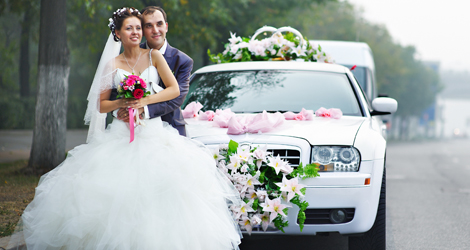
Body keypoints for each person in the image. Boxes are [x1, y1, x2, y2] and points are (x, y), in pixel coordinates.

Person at [9, 7, 241, 250]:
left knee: (162, 192)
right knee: (116, 194)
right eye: (129, 28)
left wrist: (143, 102)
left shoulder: (154, 57)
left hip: (153, 133)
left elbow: (173, 90)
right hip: (121, 134)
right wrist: (122, 102)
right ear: (117, 34)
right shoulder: (113, 64)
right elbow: (101, 104)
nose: (136, 32)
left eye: (138, 28)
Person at [113, 6, 192, 136]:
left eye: (159, 24)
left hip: (171, 129)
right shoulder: (131, 53)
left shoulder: (182, 61)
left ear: (166, 26)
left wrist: (143, 109)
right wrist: (119, 111)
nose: (155, 30)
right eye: (149, 26)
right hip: (133, 129)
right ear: (142, 30)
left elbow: (176, 98)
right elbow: (114, 89)